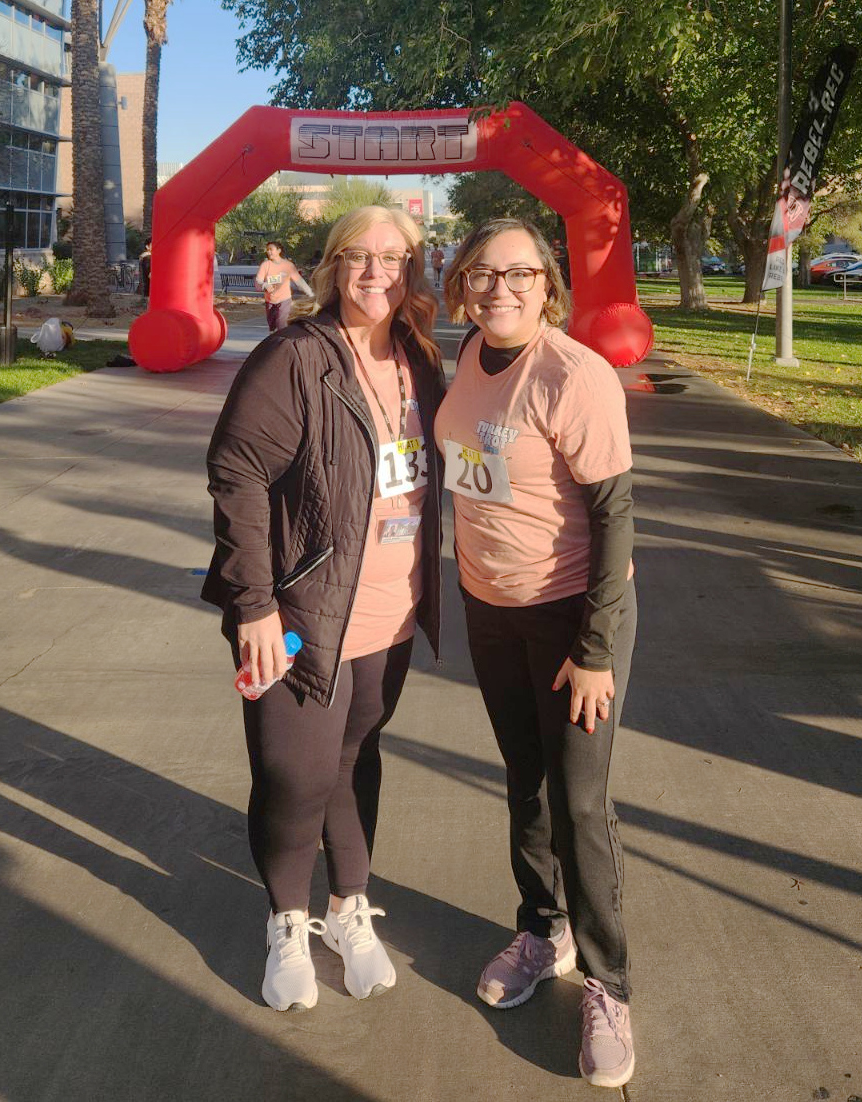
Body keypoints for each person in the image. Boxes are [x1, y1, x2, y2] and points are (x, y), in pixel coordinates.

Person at [203, 206, 444, 1013]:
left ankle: (347, 909)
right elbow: (236, 474)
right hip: (303, 609)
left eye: (393, 257)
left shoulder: (418, 358)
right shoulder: (295, 357)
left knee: (353, 761)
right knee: (293, 775)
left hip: (389, 612)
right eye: (358, 256)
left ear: (413, 267)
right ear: (334, 266)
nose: (377, 272)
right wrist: (255, 606)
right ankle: (286, 918)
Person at [435, 218, 637, 1089]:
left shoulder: (573, 374)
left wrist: (595, 649)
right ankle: (541, 929)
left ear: (547, 284)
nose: (500, 288)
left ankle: (608, 983)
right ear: (462, 287)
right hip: (491, 609)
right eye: (482, 274)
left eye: (518, 273)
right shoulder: (470, 359)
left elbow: (615, 517)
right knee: (524, 779)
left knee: (581, 802)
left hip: (570, 622)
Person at [255, 240, 314, 330]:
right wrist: (265, 285)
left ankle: (282, 340)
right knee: (272, 327)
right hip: (270, 300)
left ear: (279, 250)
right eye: (267, 250)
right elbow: (258, 281)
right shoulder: (265, 265)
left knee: (281, 324)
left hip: (284, 300)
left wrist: (311, 294)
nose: (269, 252)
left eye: (271, 249)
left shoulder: (288, 265)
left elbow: (299, 281)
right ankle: (274, 341)